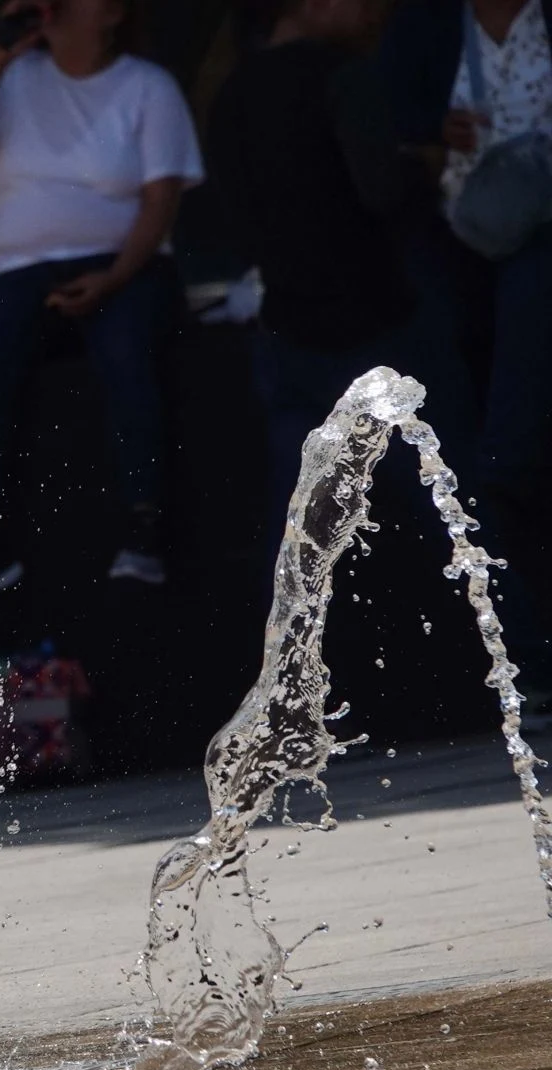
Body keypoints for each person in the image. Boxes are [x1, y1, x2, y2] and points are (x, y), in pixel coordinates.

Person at [0, 0, 202, 596]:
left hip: (125, 264)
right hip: (23, 269)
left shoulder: (146, 86)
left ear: (110, 13)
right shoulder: (14, 80)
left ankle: (145, 524)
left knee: (128, 352)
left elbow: (161, 202)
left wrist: (113, 278)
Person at [210, 0, 476, 540]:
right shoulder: (342, 77)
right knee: (455, 513)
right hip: (376, 329)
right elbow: (381, 190)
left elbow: (233, 225)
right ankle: (509, 623)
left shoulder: (230, 94)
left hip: (286, 326)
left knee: (301, 532)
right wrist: (423, 165)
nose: (378, 13)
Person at [381, 0, 552, 692]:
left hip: (540, 245)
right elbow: (389, 130)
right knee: (471, 439)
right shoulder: (427, 29)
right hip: (457, 241)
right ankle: (522, 658)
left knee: (513, 439)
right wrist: (429, 134)